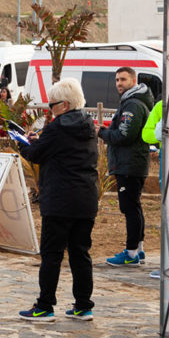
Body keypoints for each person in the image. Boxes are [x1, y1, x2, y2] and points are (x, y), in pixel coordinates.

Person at [14, 78, 99, 322]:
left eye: (51, 105)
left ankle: (45, 306)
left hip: (60, 200)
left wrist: (23, 143)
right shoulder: (87, 124)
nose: (49, 111)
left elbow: (36, 155)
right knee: (80, 254)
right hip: (85, 199)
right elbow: (60, 150)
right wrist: (39, 142)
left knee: (51, 255)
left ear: (63, 105)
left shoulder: (58, 127)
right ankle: (83, 305)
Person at [98, 66, 154, 267]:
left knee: (129, 208)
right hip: (132, 163)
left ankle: (130, 253)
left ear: (133, 80)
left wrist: (102, 133)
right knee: (134, 207)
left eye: (123, 79)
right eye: (117, 80)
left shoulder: (133, 105)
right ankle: (138, 250)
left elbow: (124, 135)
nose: (119, 84)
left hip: (129, 164)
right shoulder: (133, 102)